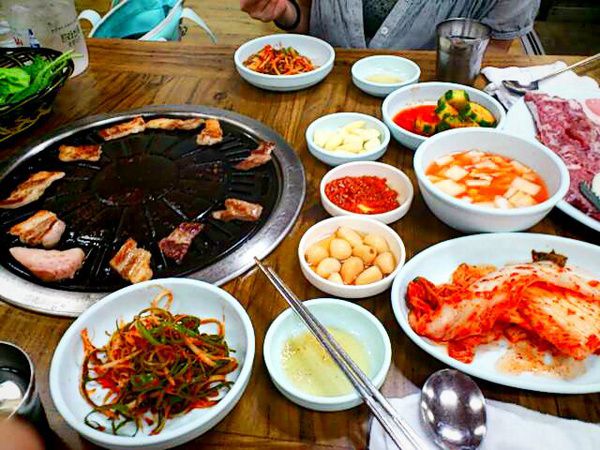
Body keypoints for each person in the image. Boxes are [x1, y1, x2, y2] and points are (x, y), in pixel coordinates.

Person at [239, 0, 540, 52]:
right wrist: (285, 12)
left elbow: (492, 62)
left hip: (430, 117)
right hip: (320, 108)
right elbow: (311, 17)